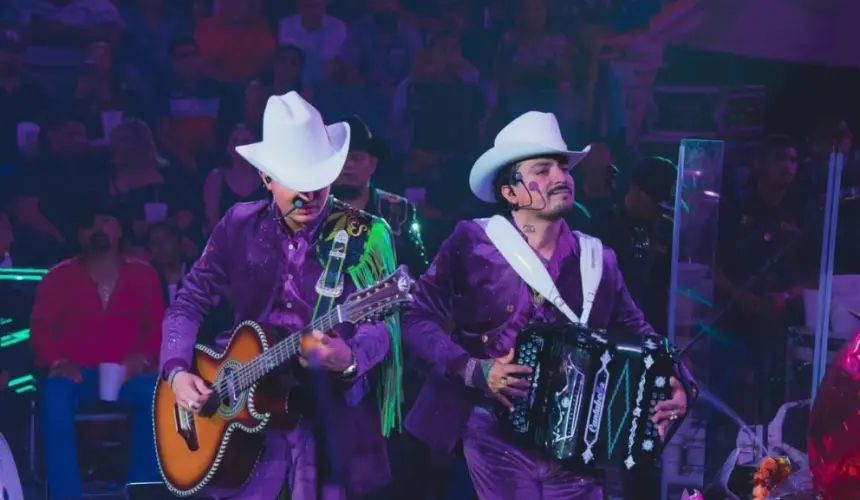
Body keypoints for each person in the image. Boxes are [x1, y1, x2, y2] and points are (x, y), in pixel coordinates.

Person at [401, 111, 691, 500]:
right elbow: (417, 318)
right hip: (490, 432)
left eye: (563, 167)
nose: (560, 177)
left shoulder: (597, 258)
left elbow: (640, 333)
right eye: (542, 169)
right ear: (510, 191)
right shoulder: (472, 241)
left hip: (578, 446)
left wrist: (682, 382)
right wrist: (474, 369)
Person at [159, 92, 402, 499]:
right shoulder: (238, 223)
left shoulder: (367, 232)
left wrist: (349, 357)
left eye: (317, 178)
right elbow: (189, 300)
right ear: (266, 178)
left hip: (330, 417)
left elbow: (384, 325)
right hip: (244, 415)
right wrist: (177, 370)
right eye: (295, 180)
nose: (308, 193)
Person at [30, 202, 164, 500]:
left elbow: (157, 327)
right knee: (54, 395)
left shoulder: (144, 276)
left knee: (157, 393)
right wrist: (57, 360)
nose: (98, 230)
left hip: (128, 376)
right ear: (79, 235)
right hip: (76, 375)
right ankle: (66, 495)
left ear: (119, 229)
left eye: (106, 221)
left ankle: (140, 490)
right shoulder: (57, 277)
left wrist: (141, 358)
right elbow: (40, 329)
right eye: (89, 225)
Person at [330, 115, 429, 275]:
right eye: (341, 157)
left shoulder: (398, 209)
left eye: (356, 158)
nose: (347, 164)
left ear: (373, 164)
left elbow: (417, 268)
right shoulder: (314, 207)